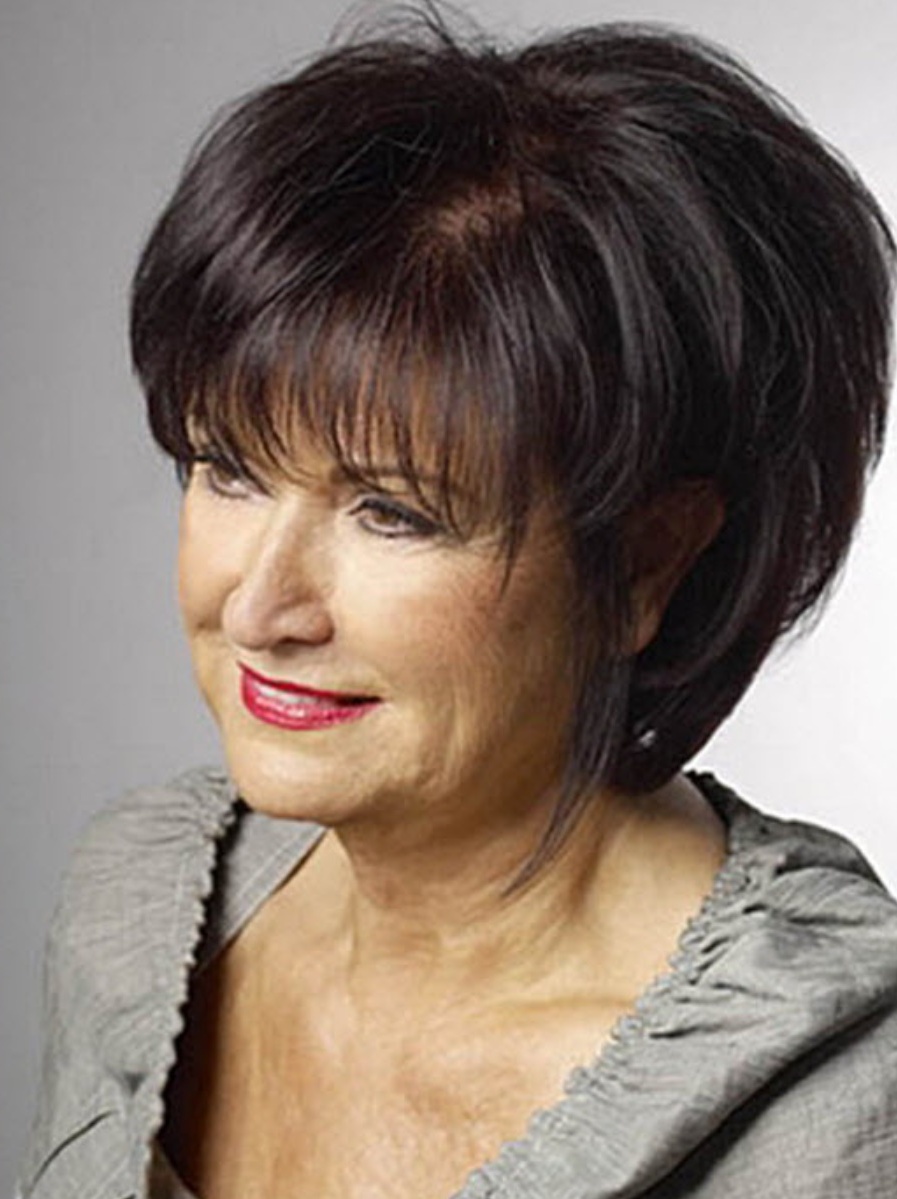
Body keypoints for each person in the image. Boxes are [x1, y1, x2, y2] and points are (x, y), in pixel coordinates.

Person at [17, 8, 897, 1198]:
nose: (261, 605)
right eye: (228, 467)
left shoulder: (835, 1106)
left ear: (647, 561)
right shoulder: (132, 905)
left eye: (392, 511)